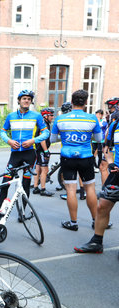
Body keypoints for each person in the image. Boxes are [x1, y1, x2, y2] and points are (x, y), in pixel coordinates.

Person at [50, 89, 102, 231]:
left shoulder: (60, 119)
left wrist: (66, 137)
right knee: (90, 188)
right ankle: (95, 221)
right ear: (86, 103)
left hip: (68, 157)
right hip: (86, 157)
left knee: (71, 190)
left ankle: (73, 223)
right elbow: (98, 139)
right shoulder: (92, 118)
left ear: (71, 102)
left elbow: (53, 139)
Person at [74, 109, 119, 253]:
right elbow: (107, 147)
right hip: (116, 173)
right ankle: (96, 242)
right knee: (102, 207)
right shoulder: (115, 124)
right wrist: (111, 162)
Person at [0, 90, 49, 210]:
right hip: (15, 155)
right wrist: (9, 141)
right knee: (5, 182)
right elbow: (2, 131)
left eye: (29, 99)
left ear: (31, 102)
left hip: (29, 154)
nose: (26, 101)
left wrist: (33, 140)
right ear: (19, 100)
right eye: (24, 98)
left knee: (26, 183)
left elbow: (46, 132)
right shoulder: (11, 116)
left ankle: (23, 212)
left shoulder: (36, 116)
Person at [32, 107, 55, 197]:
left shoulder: (42, 123)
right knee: (44, 170)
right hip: (41, 150)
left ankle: (35, 187)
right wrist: (46, 151)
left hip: (38, 150)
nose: (52, 117)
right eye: (51, 115)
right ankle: (43, 189)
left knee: (37, 169)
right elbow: (42, 140)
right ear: (45, 116)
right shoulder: (44, 125)